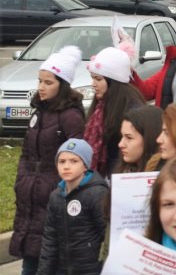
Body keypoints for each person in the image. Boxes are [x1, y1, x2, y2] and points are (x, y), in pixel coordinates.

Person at [11, 46, 86, 275]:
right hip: (30, 195)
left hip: (53, 194)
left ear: (62, 84)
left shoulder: (71, 116)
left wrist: (58, 187)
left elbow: (77, 158)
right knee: (29, 255)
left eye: (48, 82)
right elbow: (26, 152)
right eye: (40, 81)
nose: (41, 88)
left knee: (47, 258)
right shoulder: (38, 111)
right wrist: (22, 179)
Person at [35, 139, 108, 275]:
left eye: (74, 161)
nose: (66, 166)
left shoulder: (97, 193)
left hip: (91, 270)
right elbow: (50, 240)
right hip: (63, 269)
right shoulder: (56, 196)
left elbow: (107, 234)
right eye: (61, 161)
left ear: (85, 166)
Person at [83, 45, 144, 177]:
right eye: (93, 78)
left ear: (113, 81)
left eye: (98, 79)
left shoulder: (131, 108)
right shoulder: (101, 104)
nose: (93, 84)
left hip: (121, 174)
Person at [115, 104, 164, 174]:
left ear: (149, 139)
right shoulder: (124, 172)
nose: (120, 144)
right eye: (122, 136)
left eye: (129, 137)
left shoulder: (167, 178)